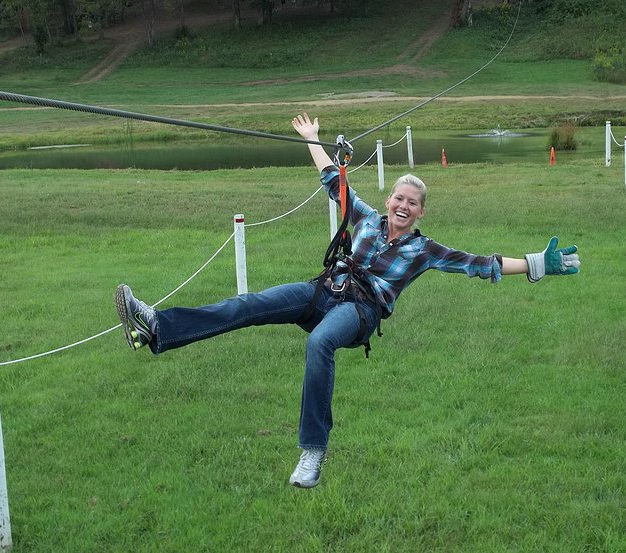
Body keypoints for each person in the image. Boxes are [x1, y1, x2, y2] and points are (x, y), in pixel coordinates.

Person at [115, 113, 580, 489]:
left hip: (359, 312)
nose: (402, 205)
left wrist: (540, 263)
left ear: (421, 212)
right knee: (249, 304)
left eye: (412, 202)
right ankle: (158, 326)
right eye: (398, 196)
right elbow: (330, 181)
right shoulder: (367, 218)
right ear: (389, 198)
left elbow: (484, 263)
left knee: (319, 344)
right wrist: (313, 138)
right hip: (324, 290)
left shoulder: (425, 250)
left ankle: (312, 451)